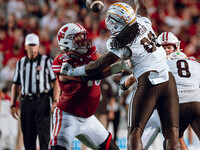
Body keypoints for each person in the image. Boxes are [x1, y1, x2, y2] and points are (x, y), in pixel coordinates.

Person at [60, 1, 181, 150]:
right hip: (169, 79)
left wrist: (73, 71)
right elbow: (142, 7)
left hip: (149, 81)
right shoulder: (143, 22)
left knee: (135, 131)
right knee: (172, 132)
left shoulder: (120, 41)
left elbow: (97, 67)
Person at [49, 23, 120, 150]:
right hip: (67, 116)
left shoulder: (91, 55)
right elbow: (90, 74)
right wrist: (117, 66)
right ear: (66, 41)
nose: (83, 40)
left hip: (88, 119)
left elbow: (106, 64)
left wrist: (124, 61)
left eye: (83, 36)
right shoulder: (61, 61)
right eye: (78, 37)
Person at [10, 33, 60, 150]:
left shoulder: (46, 61)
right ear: (25, 46)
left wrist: (55, 100)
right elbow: (15, 84)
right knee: (28, 136)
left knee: (44, 136)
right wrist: (13, 103)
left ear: (38, 46)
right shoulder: (20, 63)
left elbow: (56, 82)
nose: (32, 48)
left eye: (34, 45)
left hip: (42, 101)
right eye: (30, 45)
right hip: (26, 101)